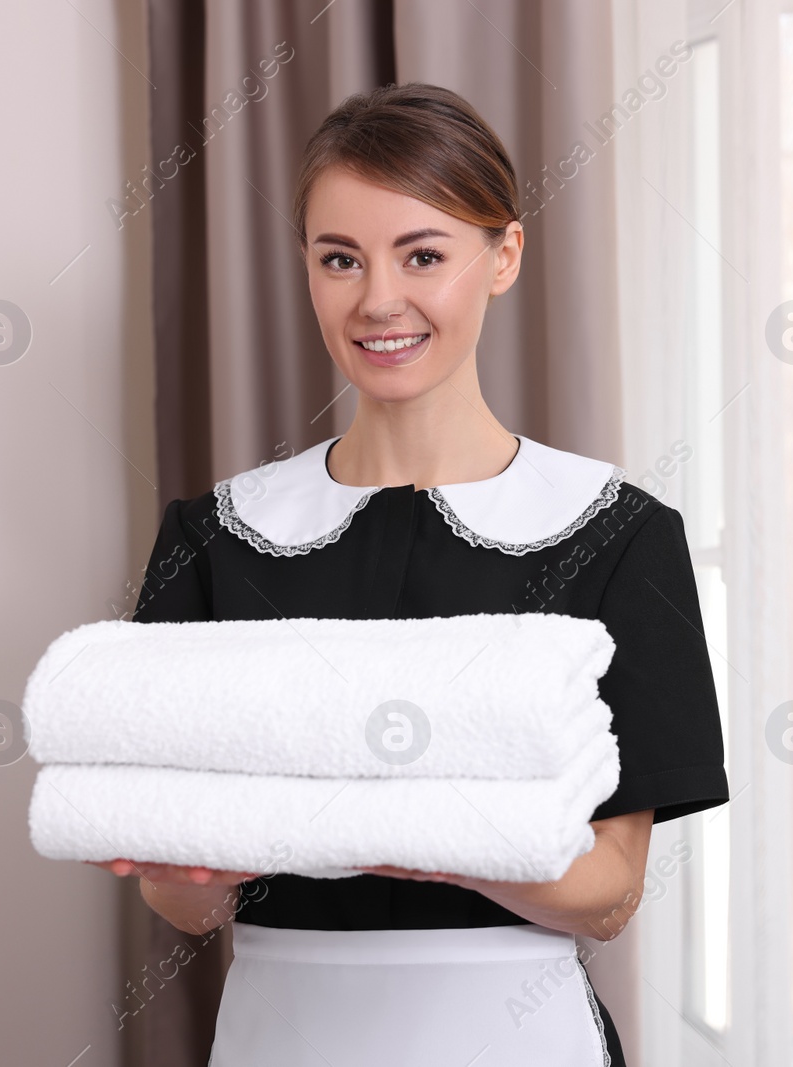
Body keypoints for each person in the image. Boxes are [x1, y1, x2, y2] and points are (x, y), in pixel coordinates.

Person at [88, 82, 729, 1065]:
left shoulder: (616, 535)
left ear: (502, 255)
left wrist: (414, 835)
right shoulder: (211, 537)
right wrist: (192, 866)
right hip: (281, 1032)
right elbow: (183, 901)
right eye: (339, 258)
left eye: (421, 254)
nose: (378, 299)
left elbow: (610, 889)